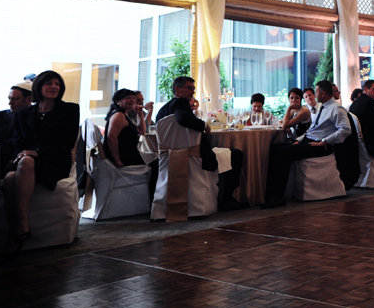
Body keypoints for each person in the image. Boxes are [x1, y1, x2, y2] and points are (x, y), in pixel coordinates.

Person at [3, 71, 80, 253]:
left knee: (26, 162)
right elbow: (17, 144)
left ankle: (21, 225)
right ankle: (17, 229)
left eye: (57, 84)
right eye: (49, 83)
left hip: (54, 162)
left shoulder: (69, 110)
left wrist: (35, 153)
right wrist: (20, 155)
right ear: (39, 87)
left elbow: (66, 144)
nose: (54, 87)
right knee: (8, 179)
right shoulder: (23, 114)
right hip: (27, 163)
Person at [155, 77, 244, 211]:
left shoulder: (163, 110)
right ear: (178, 89)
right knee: (236, 154)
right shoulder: (181, 103)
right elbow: (183, 119)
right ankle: (227, 199)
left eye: (193, 88)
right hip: (194, 155)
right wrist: (204, 124)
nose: (193, 91)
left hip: (170, 156)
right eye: (190, 88)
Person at [263, 80, 350, 208]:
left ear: (323, 93)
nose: (315, 94)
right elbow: (312, 130)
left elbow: (345, 129)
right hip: (309, 140)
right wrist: (299, 139)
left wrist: (325, 141)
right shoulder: (323, 107)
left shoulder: (336, 108)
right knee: (274, 148)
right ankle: (268, 194)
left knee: (284, 152)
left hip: (320, 146)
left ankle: (278, 197)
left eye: (317, 91)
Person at [0, 81, 33, 174]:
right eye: (9, 99)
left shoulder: (36, 119)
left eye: (15, 99)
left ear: (28, 99)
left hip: (19, 163)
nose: (10, 103)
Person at [104, 89, 148, 168]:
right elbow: (111, 138)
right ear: (118, 101)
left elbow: (142, 131)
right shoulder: (119, 115)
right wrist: (117, 160)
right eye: (128, 98)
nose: (132, 100)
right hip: (124, 157)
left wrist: (140, 113)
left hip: (129, 153)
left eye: (133, 98)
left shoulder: (125, 114)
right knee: (155, 163)